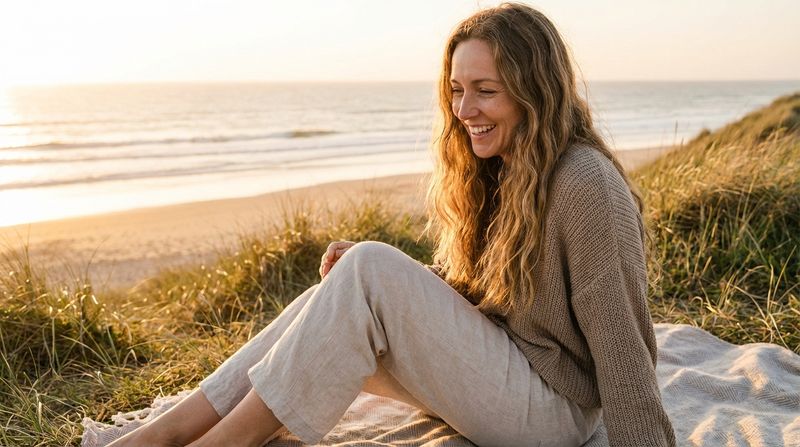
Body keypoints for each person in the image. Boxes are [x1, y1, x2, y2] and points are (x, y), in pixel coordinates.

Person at [109, 3, 676, 446]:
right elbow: (487, 294)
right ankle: (167, 435)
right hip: (503, 374)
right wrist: (391, 282)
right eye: (457, 90)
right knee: (340, 289)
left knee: (370, 270)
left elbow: (624, 341)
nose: (464, 110)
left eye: (486, 91)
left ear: (536, 93)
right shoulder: (504, 168)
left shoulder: (584, 183)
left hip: (554, 411)